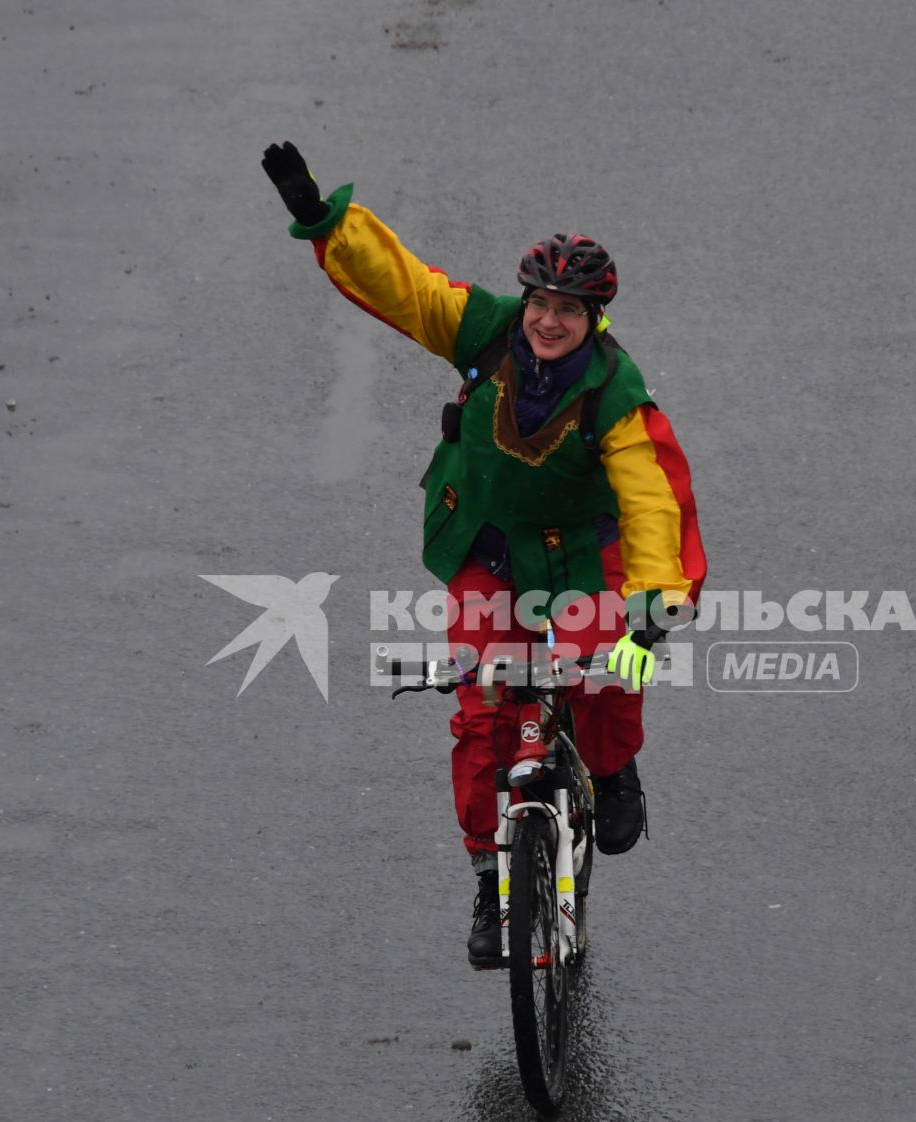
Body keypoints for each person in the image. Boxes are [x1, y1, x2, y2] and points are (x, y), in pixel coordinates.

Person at [260, 142, 707, 968]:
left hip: (585, 560)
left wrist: (652, 610)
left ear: (594, 318)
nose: (547, 320)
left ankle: (615, 771)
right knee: (479, 712)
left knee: (612, 670)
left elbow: (651, 501)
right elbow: (410, 289)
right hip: (490, 554)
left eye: (568, 310)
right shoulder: (491, 332)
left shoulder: (615, 392)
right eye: (540, 301)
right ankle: (488, 875)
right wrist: (326, 222)